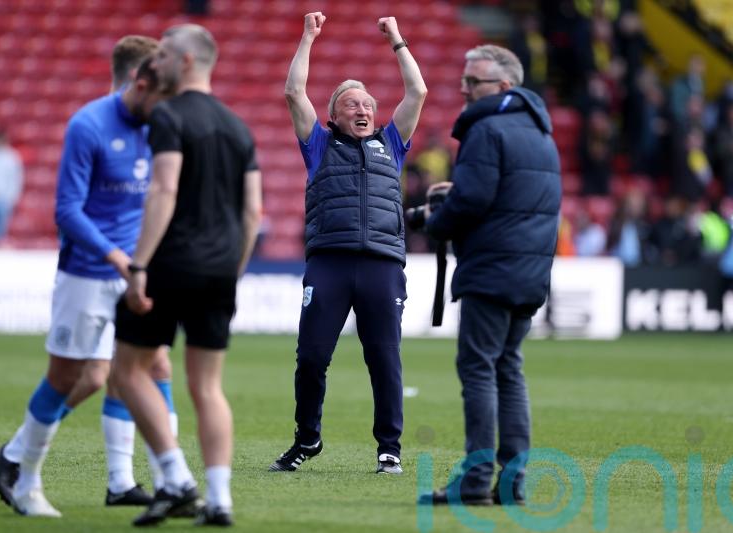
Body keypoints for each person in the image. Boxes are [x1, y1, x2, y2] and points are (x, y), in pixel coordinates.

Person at [0, 36, 176, 518]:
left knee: (153, 366)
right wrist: (117, 257)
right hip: (90, 271)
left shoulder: (161, 127)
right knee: (77, 374)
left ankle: (158, 483)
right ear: (139, 82)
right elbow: (66, 210)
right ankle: (19, 467)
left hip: (136, 272)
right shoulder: (89, 125)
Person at [109, 24, 262, 528]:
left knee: (127, 370)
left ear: (189, 61)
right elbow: (253, 213)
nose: (158, 63)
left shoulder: (170, 116)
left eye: (167, 55)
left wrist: (139, 267)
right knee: (207, 388)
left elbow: (163, 190)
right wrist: (233, 271)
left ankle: (175, 476)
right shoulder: (240, 127)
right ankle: (220, 500)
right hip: (220, 270)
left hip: (172, 263)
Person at [268, 12, 426, 476]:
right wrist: (307, 38)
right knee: (312, 356)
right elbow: (294, 92)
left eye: (367, 106)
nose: (362, 111)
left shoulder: (392, 144)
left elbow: (417, 92)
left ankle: (389, 447)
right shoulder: (317, 145)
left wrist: (397, 39)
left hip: (381, 266)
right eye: (352, 105)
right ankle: (307, 438)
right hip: (330, 265)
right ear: (333, 114)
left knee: (384, 358)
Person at [416, 44, 561, 505]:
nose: (463, 88)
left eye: (472, 82)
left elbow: (475, 202)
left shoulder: (487, 129)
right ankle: (513, 482)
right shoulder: (540, 132)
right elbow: (507, 195)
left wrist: (437, 222)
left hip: (492, 269)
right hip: (529, 269)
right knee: (508, 370)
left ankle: (475, 481)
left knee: (478, 370)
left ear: (503, 87)